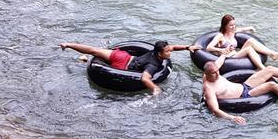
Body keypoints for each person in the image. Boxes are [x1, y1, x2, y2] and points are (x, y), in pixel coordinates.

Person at [60, 40, 199, 95]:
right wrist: (155, 88)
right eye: (168, 52)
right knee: (93, 53)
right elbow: (145, 78)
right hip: (123, 65)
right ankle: (80, 56)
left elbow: (173, 47)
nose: (170, 52)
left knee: (93, 50)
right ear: (160, 53)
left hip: (123, 56)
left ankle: (67, 44)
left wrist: (188, 47)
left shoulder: (157, 51)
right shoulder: (154, 64)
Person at [201, 60, 278, 125]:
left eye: (217, 71)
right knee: (271, 85)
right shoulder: (209, 88)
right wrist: (232, 118)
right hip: (244, 96)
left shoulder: (213, 71)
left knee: (269, 69)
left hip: (244, 86)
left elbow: (217, 63)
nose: (217, 74)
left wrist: (224, 53)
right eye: (213, 73)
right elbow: (215, 110)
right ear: (207, 73)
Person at [203, 13, 278, 70]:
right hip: (229, 58)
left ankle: (272, 54)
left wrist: (250, 28)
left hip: (235, 54)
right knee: (249, 49)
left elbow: (241, 29)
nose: (233, 27)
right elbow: (208, 48)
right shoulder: (220, 36)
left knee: (250, 40)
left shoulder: (232, 31)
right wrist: (221, 50)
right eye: (231, 25)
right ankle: (263, 69)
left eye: (234, 24)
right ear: (225, 26)